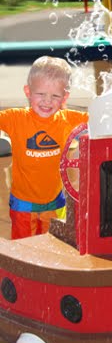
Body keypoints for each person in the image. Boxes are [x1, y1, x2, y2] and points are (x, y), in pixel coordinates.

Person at [1, 56, 89, 240]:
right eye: (40, 94)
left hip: (55, 202)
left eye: (55, 96)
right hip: (23, 204)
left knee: (52, 244)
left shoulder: (68, 119)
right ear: (28, 91)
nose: (47, 101)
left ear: (64, 98)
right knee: (23, 248)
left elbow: (100, 118)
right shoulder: (15, 118)